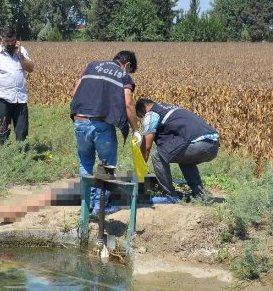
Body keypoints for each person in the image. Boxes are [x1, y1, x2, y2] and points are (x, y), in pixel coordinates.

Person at [70, 50, 140, 214]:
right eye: (129, 69)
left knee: (85, 164)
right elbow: (129, 104)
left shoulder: (91, 66)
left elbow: (74, 93)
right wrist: (136, 130)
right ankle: (100, 207)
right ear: (127, 65)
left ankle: (86, 207)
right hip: (101, 125)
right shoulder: (123, 75)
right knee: (107, 166)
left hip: (80, 122)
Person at [135, 98, 219, 202]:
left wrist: (139, 171)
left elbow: (146, 147)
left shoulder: (152, 114)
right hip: (212, 145)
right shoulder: (167, 107)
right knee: (183, 158)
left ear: (143, 110)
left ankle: (169, 195)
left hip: (199, 145)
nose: (143, 118)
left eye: (141, 116)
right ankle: (200, 194)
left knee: (157, 155)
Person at [0, 26, 35, 145]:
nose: (11, 44)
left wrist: (20, 54)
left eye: (13, 41)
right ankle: (5, 155)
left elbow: (31, 69)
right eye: (7, 41)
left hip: (20, 98)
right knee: (4, 130)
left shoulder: (21, 51)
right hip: (2, 98)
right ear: (2, 39)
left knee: (22, 132)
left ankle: (22, 157)